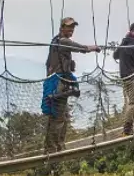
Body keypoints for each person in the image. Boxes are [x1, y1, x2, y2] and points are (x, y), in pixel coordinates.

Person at [43, 17, 101, 153]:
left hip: (57, 81)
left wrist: (67, 66)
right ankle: (52, 148)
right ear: (62, 28)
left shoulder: (55, 41)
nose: (71, 30)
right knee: (58, 117)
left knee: (62, 116)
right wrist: (94, 48)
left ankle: (58, 146)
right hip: (59, 83)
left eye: (73, 27)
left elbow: (49, 63)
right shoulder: (63, 41)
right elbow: (81, 48)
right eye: (69, 27)